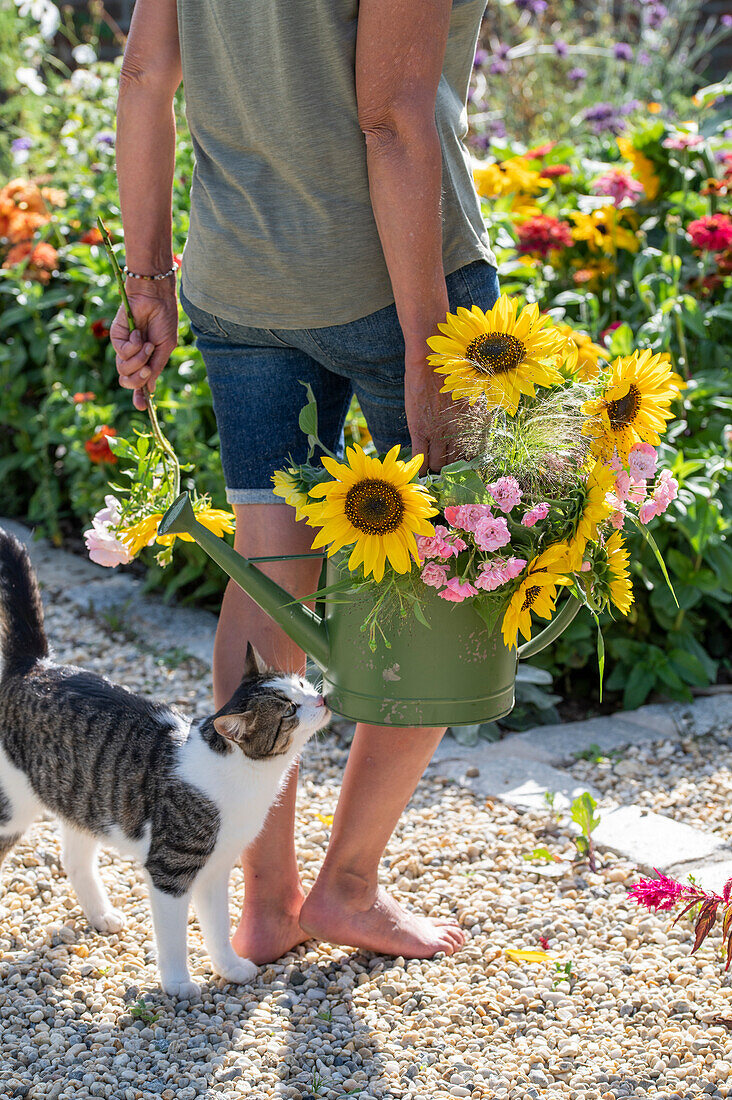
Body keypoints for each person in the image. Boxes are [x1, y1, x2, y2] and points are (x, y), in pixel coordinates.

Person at [110, 0, 498, 963]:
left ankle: (269, 904)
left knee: (266, 575)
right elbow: (393, 117)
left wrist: (147, 279)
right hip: (388, 279)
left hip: (241, 286)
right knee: (461, 576)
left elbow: (144, 74)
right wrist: (425, 344)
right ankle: (349, 888)